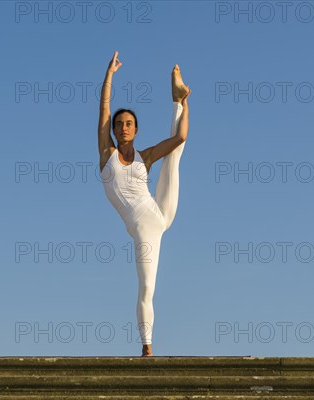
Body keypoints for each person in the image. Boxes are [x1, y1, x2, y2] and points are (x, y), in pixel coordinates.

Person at [97, 51, 191, 357]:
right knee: (147, 287)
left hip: (159, 212)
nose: (124, 127)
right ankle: (147, 346)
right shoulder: (107, 155)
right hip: (145, 231)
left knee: (175, 154)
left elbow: (179, 136)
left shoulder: (145, 157)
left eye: (129, 124)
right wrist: (109, 75)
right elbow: (104, 108)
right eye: (119, 124)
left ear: (136, 130)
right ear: (113, 130)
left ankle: (175, 98)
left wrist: (185, 104)